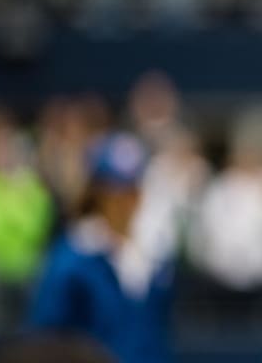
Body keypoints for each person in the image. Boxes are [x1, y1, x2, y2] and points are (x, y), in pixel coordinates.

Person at [28, 132, 173, 363]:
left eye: (131, 191)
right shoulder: (71, 258)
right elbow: (46, 337)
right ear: (96, 194)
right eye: (113, 192)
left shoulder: (155, 255)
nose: (123, 203)